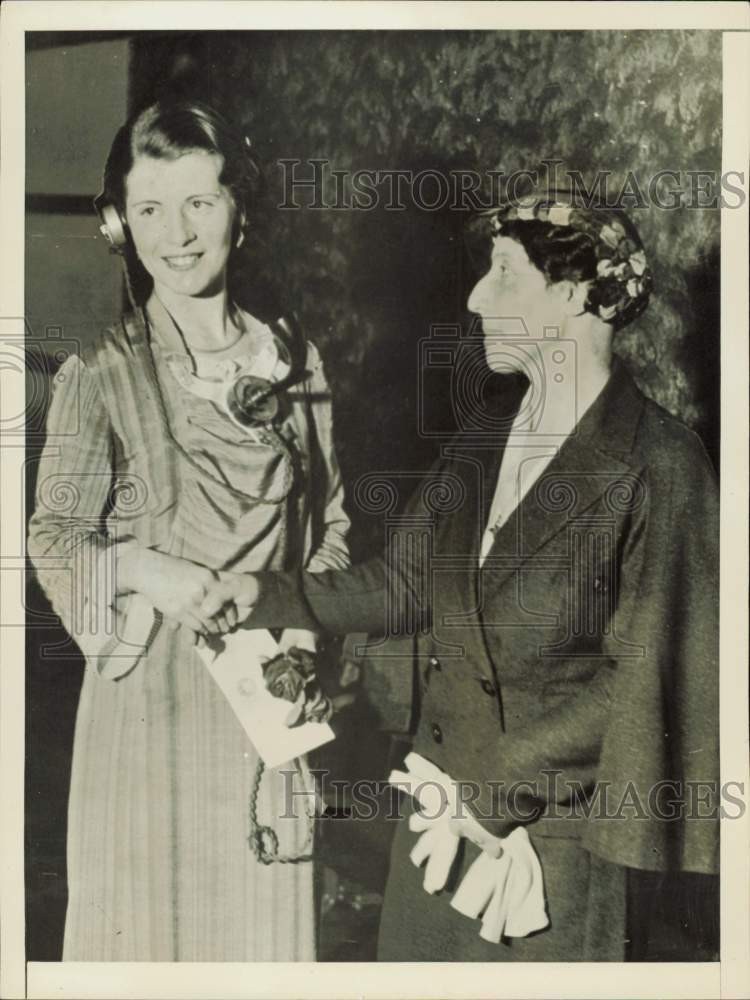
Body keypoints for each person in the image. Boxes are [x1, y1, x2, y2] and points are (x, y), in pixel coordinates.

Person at [196, 191, 720, 961]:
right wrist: (263, 594)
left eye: (502, 272)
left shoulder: (661, 464)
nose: (476, 297)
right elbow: (401, 585)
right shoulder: (486, 436)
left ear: (573, 294)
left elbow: (649, 678)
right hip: (436, 816)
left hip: (552, 845)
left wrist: (501, 782)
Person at [27, 100, 350, 961]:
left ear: (239, 212)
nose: (177, 233)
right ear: (118, 225)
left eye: (199, 203)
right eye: (150, 209)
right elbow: (53, 539)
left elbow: (333, 528)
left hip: (267, 712)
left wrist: (301, 649)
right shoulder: (100, 376)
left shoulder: (297, 361)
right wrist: (141, 567)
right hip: (150, 714)